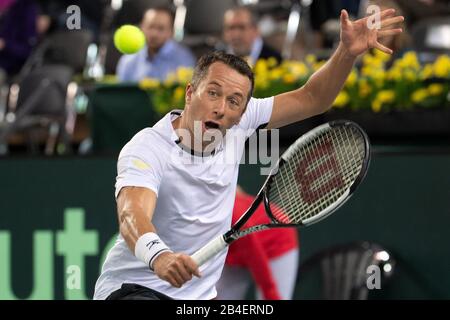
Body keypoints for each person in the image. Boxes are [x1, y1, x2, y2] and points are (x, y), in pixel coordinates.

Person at [94, 8, 404, 300]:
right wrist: (159, 256)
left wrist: (346, 53)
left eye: (233, 101)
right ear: (191, 93)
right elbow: (131, 214)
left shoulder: (244, 118)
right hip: (134, 287)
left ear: (243, 111)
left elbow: (313, 98)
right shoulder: (148, 147)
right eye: (212, 92)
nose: (220, 107)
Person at [216, 186, 299, 300]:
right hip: (233, 253)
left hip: (277, 240)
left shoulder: (233, 213)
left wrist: (270, 294)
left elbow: (254, 255)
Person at [116, 6, 196, 82]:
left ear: (171, 32)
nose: (154, 34)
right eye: (150, 27)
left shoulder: (184, 58)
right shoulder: (128, 60)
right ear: (142, 27)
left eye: (161, 28)